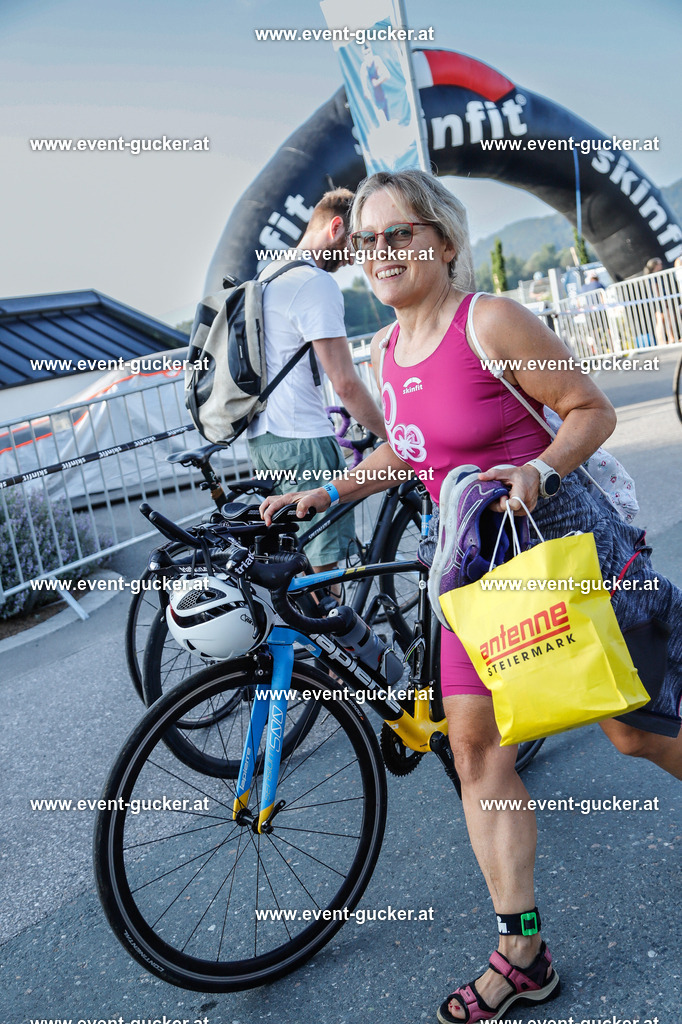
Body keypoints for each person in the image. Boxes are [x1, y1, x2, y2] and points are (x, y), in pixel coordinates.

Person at [260, 169, 682, 1023]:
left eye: (399, 234)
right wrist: (331, 494)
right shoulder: (386, 351)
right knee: (474, 754)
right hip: (469, 578)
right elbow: (411, 455)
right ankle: (521, 953)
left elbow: (589, 412)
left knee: (635, 732)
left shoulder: (488, 321)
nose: (380, 252)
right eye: (368, 240)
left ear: (442, 242)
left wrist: (537, 466)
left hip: (562, 557)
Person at [248, 187, 386, 581]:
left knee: (295, 563)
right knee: (323, 575)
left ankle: (301, 639)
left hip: (266, 441)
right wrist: (392, 435)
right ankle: (324, 639)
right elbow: (345, 383)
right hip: (304, 440)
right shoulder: (314, 283)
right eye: (355, 243)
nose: (355, 257)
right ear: (336, 226)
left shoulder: (270, 274)